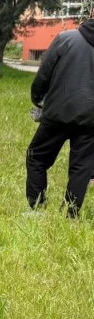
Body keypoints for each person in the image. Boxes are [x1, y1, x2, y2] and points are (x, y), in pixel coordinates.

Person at [25, 16, 94, 216]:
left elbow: (44, 73)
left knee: (36, 157)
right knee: (81, 167)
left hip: (57, 113)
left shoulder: (66, 39)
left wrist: (38, 99)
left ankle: (37, 208)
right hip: (91, 120)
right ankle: (71, 214)